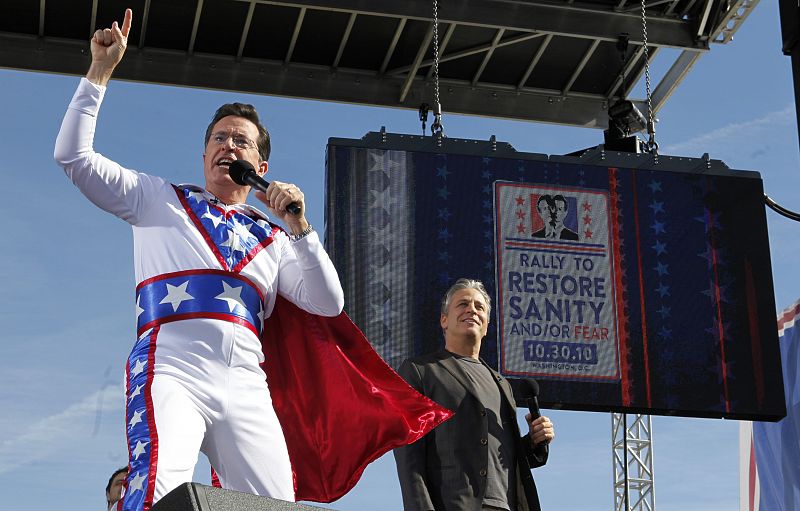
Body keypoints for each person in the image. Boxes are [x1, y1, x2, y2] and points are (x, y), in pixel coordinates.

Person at [54, 9, 346, 510]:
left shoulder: (276, 237)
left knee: (276, 503)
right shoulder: (157, 199)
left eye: (240, 141)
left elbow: (328, 303)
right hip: (172, 369)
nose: (227, 145)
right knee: (160, 488)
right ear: (205, 153)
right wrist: (99, 72)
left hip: (247, 384)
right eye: (218, 138)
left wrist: (300, 227)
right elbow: (74, 158)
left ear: (260, 165)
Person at [393, 279, 555, 511]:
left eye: (479, 307)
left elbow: (500, 458)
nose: (472, 310)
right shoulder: (420, 371)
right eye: (463, 304)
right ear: (444, 320)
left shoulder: (502, 384)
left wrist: (532, 442)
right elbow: (409, 456)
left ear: (486, 325)